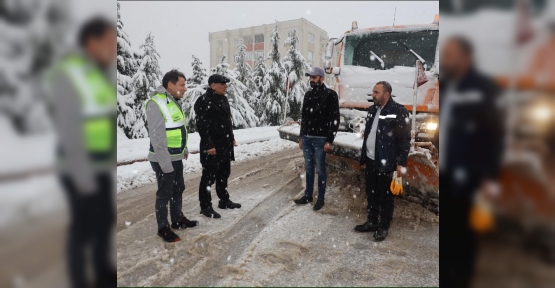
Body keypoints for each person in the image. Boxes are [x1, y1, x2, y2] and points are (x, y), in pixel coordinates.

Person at [44, 17, 117, 288]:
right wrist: (83, 176)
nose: (113, 48)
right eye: (109, 42)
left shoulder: (96, 73)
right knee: (83, 229)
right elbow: (69, 128)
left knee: (102, 224)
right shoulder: (69, 73)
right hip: (79, 167)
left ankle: (101, 272)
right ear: (91, 42)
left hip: (99, 166)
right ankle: (78, 279)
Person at [439, 36, 504, 288]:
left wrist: (490, 177)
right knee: (447, 233)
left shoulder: (484, 88)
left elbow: (496, 135)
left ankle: (463, 278)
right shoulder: (446, 86)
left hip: (471, 176)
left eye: (450, 54)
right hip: (446, 173)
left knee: (465, 237)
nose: (445, 59)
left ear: (466, 58)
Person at [144, 69, 199, 243]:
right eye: (182, 85)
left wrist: (183, 149)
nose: (185, 88)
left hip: (175, 156)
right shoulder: (155, 103)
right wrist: (165, 164)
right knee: (164, 193)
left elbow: (176, 129)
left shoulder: (174, 101)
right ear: (170, 85)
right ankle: (163, 228)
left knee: (178, 189)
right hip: (163, 159)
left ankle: (176, 219)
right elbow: (157, 137)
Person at [355, 81, 410, 242]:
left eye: (376, 92)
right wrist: (365, 157)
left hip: (387, 162)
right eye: (373, 92)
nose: (373, 95)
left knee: (385, 196)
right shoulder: (372, 110)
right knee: (371, 192)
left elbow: (404, 140)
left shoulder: (399, 111)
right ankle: (372, 221)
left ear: (386, 94)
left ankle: (384, 226)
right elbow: (369, 135)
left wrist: (401, 163)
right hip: (371, 159)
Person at [194, 74, 241, 219]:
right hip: (212, 147)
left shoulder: (224, 99)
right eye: (222, 83)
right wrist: (209, 145)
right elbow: (202, 125)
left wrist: (231, 138)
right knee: (208, 177)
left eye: (226, 83)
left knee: (223, 174)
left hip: (225, 145)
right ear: (212, 85)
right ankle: (205, 206)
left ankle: (224, 200)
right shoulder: (203, 101)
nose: (225, 86)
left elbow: (227, 122)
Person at [293, 67, 340, 211]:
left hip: (321, 139)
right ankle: (308, 195)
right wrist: (301, 137)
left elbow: (335, 119)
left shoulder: (330, 95)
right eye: (310, 77)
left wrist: (329, 140)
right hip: (307, 138)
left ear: (322, 78)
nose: (311, 80)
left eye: (314, 77)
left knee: (320, 169)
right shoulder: (308, 95)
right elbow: (305, 118)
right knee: (308, 168)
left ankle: (320, 198)